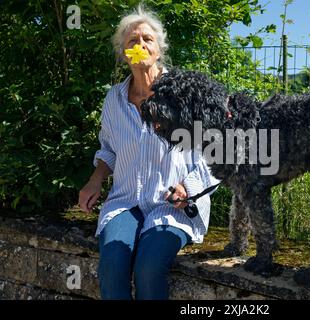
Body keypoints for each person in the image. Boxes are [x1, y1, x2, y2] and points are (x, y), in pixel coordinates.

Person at [78, 5, 219, 300]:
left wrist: (189, 189)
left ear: (159, 49)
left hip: (173, 206)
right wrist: (95, 179)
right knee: (113, 264)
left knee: (149, 268)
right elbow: (109, 149)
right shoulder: (113, 99)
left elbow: (216, 152)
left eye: (147, 39)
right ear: (123, 52)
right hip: (126, 201)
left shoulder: (184, 94)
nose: (140, 45)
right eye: (132, 41)